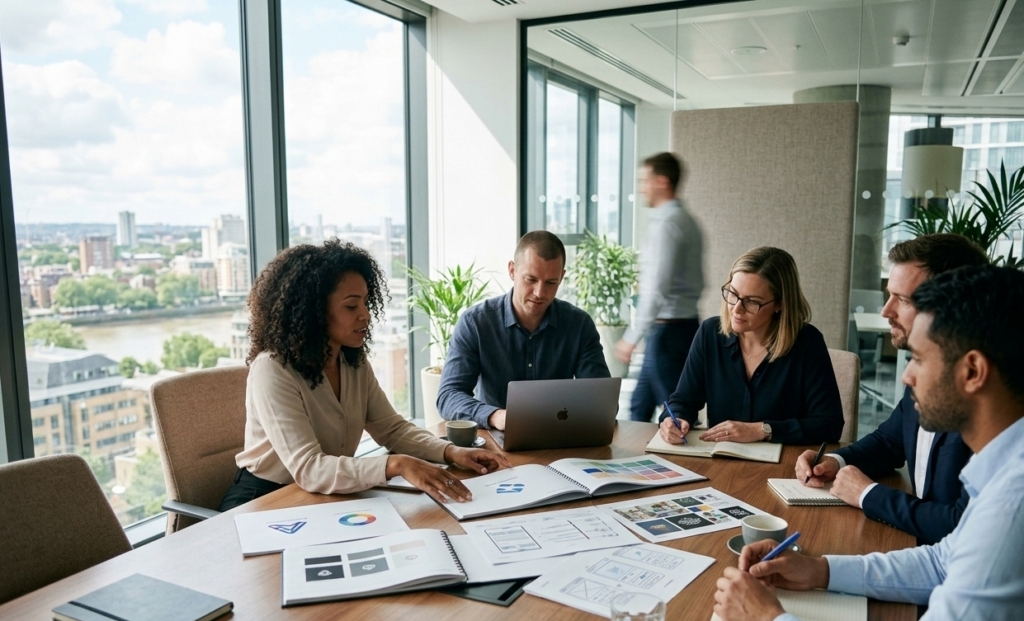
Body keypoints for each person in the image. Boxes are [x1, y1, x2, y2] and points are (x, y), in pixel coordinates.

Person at [714, 264, 1024, 621]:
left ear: (972, 372)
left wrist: (767, 618)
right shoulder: (1002, 471)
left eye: (919, 360)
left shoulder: (1010, 511)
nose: (907, 377)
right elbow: (942, 563)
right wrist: (819, 570)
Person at [219, 240, 509, 511]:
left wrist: (452, 452)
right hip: (263, 500)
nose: (366, 315)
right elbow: (309, 468)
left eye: (366, 303)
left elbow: (392, 430)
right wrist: (396, 465)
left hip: (321, 497)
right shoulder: (273, 368)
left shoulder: (352, 361)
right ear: (314, 311)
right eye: (350, 306)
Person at [796, 234, 987, 544]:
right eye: (889, 295)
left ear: (950, 306)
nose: (886, 311)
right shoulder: (923, 368)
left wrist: (867, 494)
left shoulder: (987, 398)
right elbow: (888, 441)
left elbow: (962, 526)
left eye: (903, 299)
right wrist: (837, 462)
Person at [658, 246, 843, 445]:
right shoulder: (710, 333)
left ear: (780, 304)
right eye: (733, 294)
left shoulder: (808, 342)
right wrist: (674, 419)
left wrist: (762, 430)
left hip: (784, 465)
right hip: (720, 460)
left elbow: (829, 425)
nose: (736, 309)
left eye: (751, 302)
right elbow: (683, 400)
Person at [437, 231, 610, 431]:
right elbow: (448, 396)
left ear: (562, 277)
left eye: (551, 283)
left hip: (561, 441)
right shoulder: (475, 323)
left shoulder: (579, 325)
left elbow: (602, 401)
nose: (539, 293)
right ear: (512, 270)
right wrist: (495, 416)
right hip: (496, 440)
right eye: (530, 279)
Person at [614, 152, 704, 422]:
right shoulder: (684, 219)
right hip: (670, 329)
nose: (642, 187)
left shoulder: (668, 224)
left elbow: (656, 289)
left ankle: (683, 463)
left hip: (670, 332)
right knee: (639, 406)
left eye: (645, 180)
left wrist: (631, 337)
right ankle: (630, 461)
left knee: (676, 415)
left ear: (662, 181)